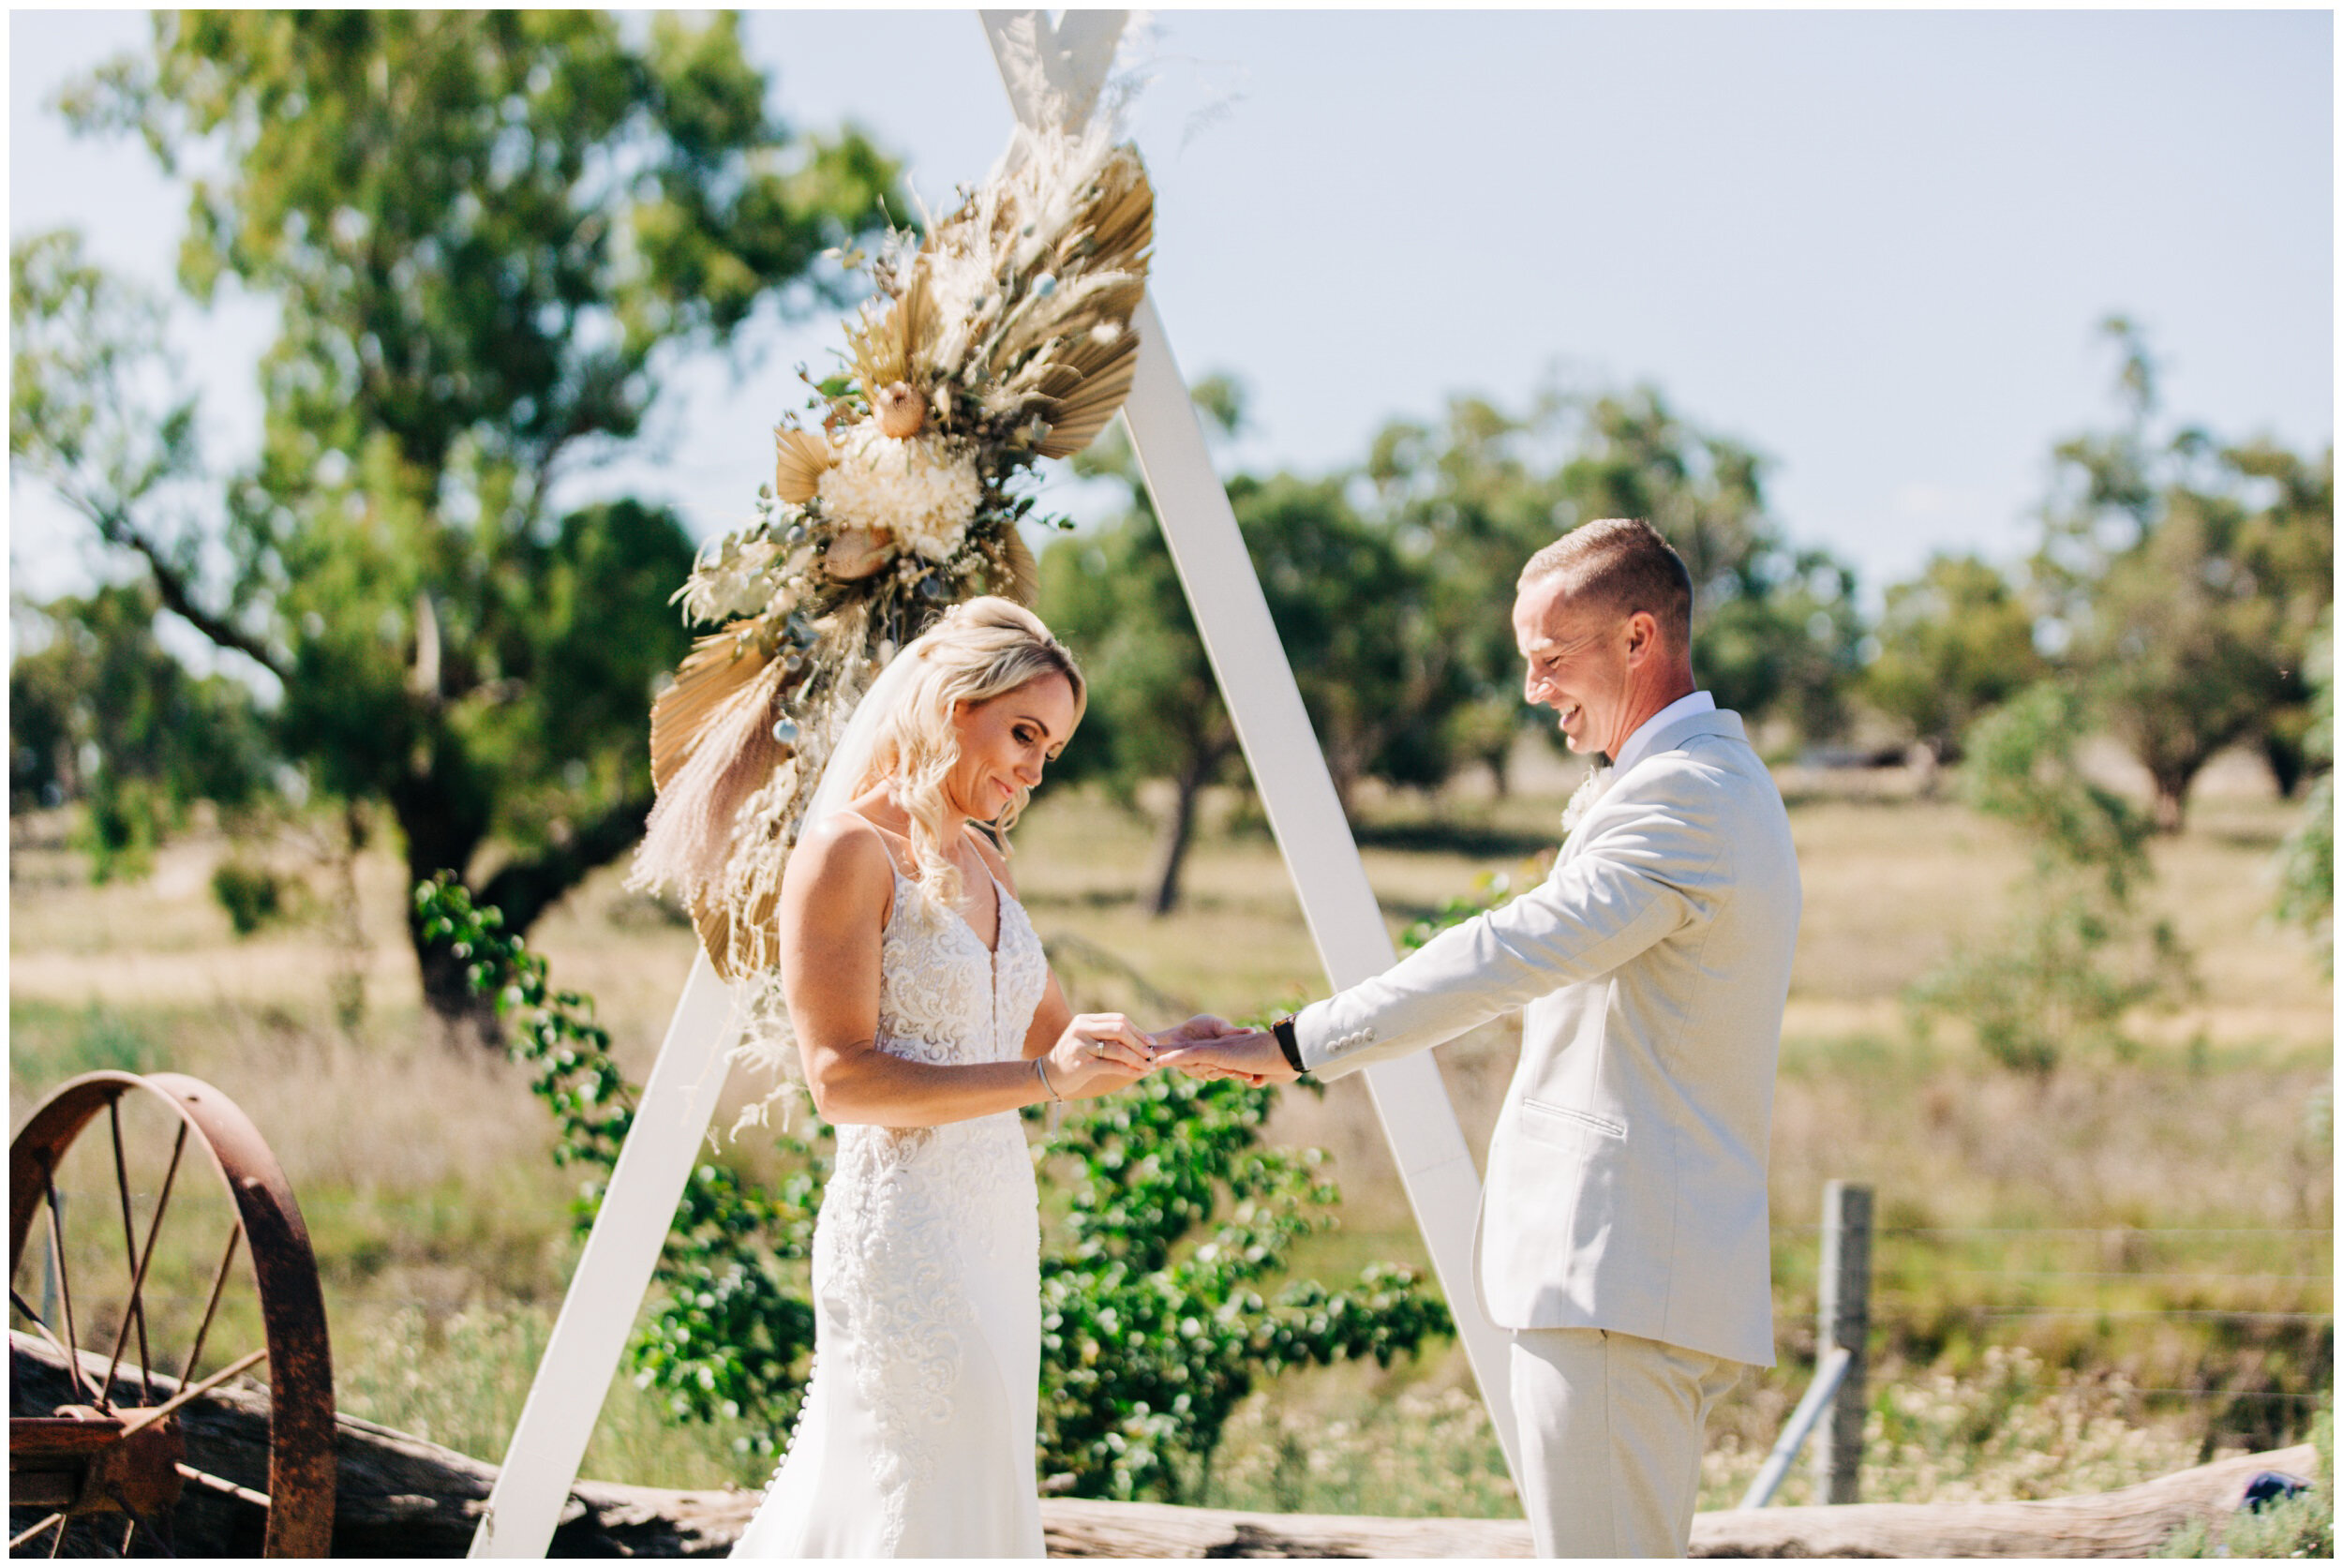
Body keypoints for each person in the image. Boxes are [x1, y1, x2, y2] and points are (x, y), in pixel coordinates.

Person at [1158, 519, 1802, 1558]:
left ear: (1640, 639)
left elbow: (1510, 950)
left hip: (1615, 1273)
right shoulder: (1697, 781)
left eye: (1550, 659)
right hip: (1626, 1277)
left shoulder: (1686, 795)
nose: (1534, 687)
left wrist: (1295, 1041)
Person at [731, 597, 1163, 1559]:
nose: (1032, 766)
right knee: (919, 1496)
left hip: (996, 1222)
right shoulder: (846, 849)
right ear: (949, 702)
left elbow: (1054, 1036)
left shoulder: (984, 858)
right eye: (1022, 731)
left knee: (980, 1484)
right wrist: (1045, 1076)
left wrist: (1192, 1046)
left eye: (1049, 747)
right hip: (906, 1238)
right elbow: (838, 1080)